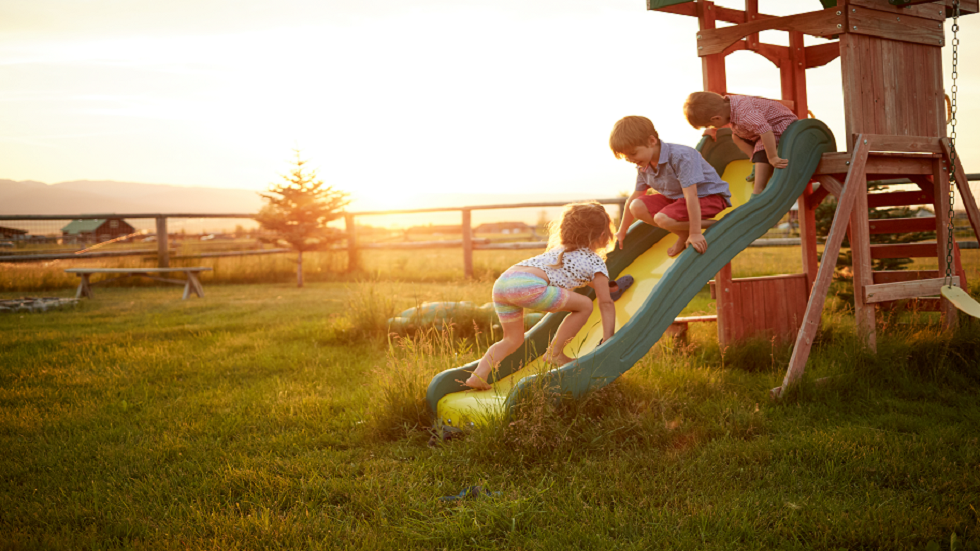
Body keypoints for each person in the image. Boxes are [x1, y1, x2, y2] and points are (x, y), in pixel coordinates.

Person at [463, 202, 622, 391]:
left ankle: (478, 375)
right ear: (603, 235)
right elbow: (605, 302)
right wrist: (608, 338)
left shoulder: (560, 250)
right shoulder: (594, 261)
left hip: (504, 283)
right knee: (586, 305)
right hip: (528, 287)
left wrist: (610, 286)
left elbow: (586, 280)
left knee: (512, 339)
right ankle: (555, 353)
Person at [609, 115, 732, 258]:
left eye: (633, 153)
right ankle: (683, 233)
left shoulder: (680, 156)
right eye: (626, 157)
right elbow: (635, 196)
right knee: (636, 206)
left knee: (662, 218)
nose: (631, 159)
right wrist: (622, 231)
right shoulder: (644, 166)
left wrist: (695, 233)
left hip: (708, 197)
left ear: (652, 141)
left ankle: (715, 224)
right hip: (678, 200)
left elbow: (691, 195)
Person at [683, 91, 798, 197]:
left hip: (782, 125)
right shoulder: (729, 103)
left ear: (716, 118)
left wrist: (772, 157)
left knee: (761, 147)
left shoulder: (745, 115)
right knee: (736, 136)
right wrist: (713, 130)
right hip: (765, 124)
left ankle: (758, 190)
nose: (712, 127)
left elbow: (766, 132)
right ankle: (755, 161)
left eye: (710, 125)